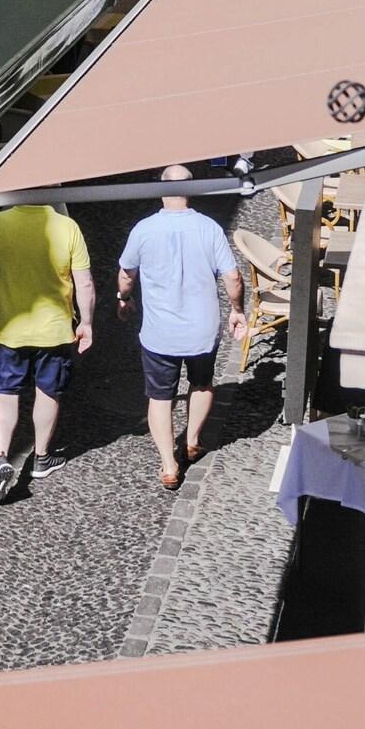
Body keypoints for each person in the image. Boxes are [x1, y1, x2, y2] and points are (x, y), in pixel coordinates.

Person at [116, 167, 246, 489]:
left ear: (160, 190)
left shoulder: (144, 229)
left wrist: (124, 298)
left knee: (160, 396)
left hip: (160, 333)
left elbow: (127, 274)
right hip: (202, 330)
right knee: (201, 383)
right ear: (193, 189)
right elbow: (233, 277)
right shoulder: (209, 228)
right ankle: (191, 441)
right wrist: (237, 310)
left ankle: (169, 464)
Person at [0, 203, 95, 503]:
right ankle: (41, 457)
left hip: (11, 329)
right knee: (47, 392)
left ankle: (0, 457)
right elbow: (84, 282)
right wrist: (87, 322)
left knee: (5, 392)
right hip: (54, 331)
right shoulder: (68, 227)